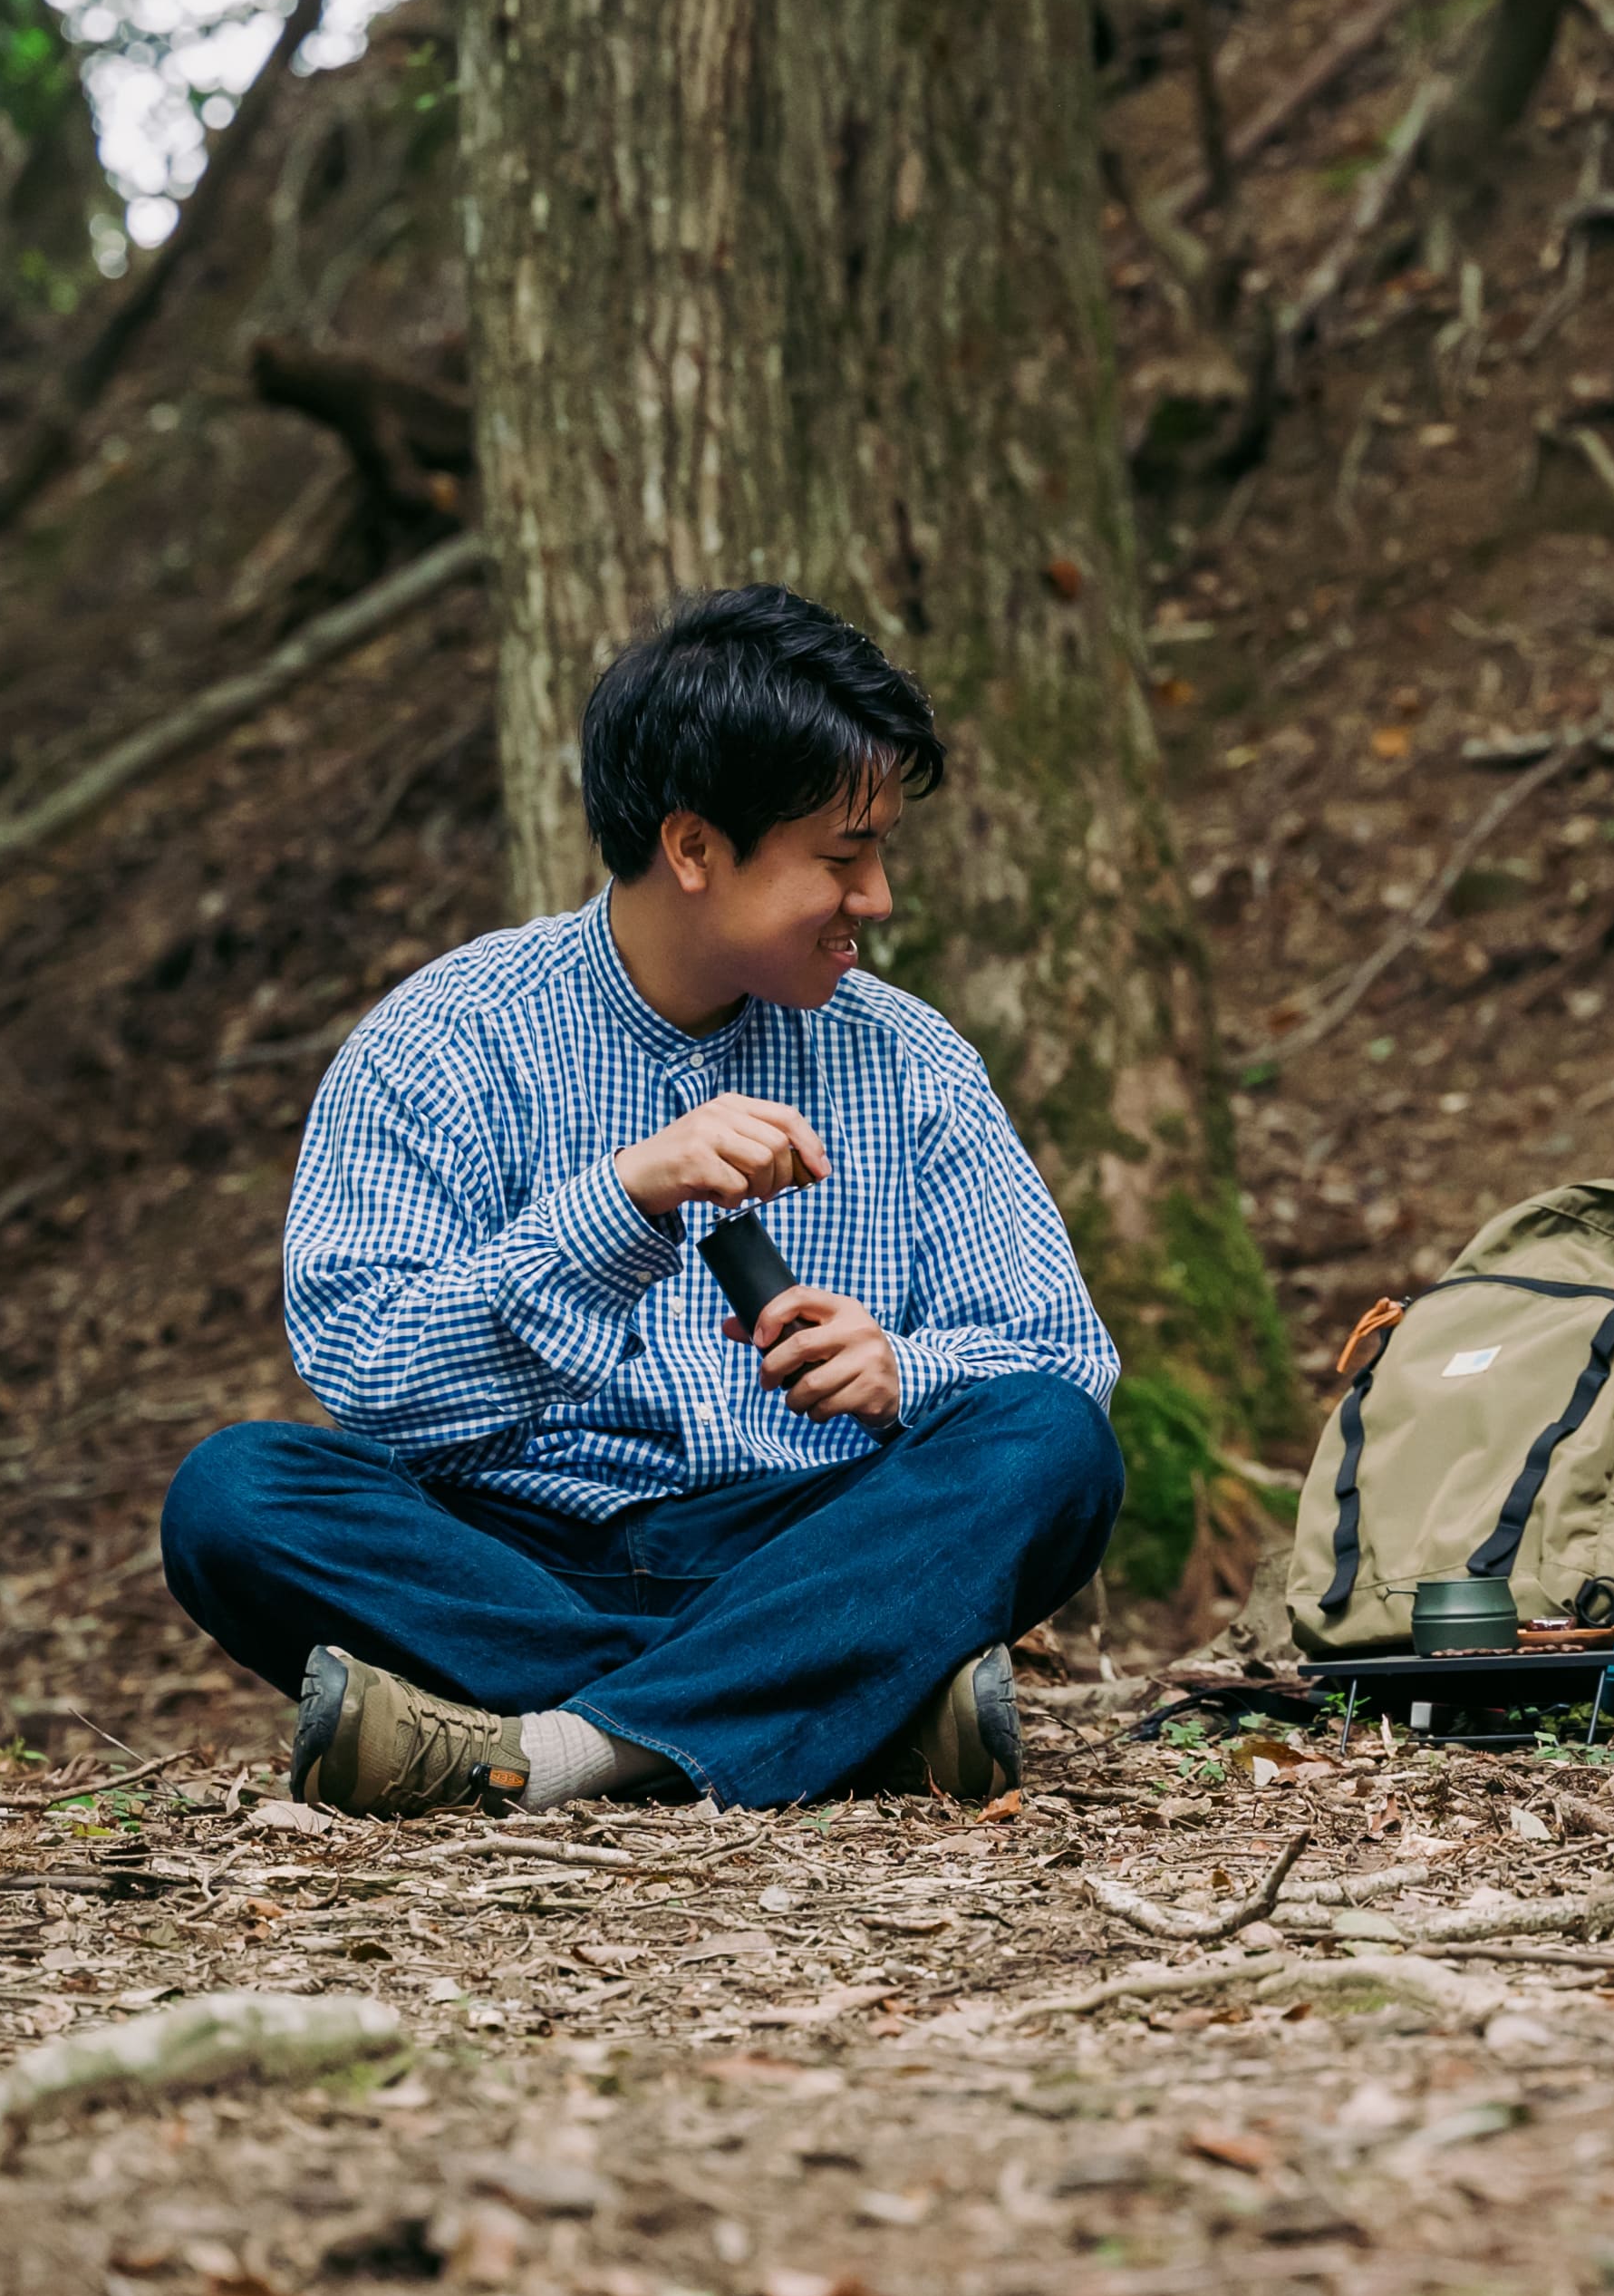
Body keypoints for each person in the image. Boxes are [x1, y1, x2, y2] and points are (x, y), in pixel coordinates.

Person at [156, 586, 1124, 1814]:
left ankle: (554, 1750)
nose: (875, 897)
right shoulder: (439, 1041)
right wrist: (617, 1206)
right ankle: (841, 1716)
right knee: (234, 1498)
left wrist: (901, 1374)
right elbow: (368, 1371)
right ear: (695, 849)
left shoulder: (913, 1061)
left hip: (803, 1548)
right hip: (510, 1558)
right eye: (842, 857)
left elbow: (1062, 1363)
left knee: (1051, 1447)